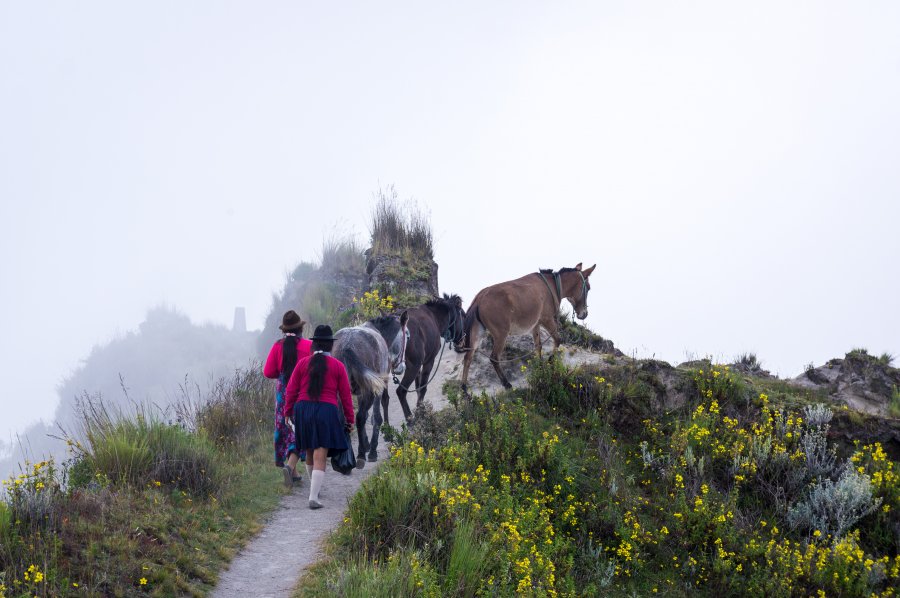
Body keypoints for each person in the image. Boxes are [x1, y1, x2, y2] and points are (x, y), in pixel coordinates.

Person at [283, 324, 355, 509]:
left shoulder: (302, 364)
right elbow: (346, 396)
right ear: (331, 345)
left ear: (314, 345)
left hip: (303, 409)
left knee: (308, 450)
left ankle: (314, 490)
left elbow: (291, 390)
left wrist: (287, 412)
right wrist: (350, 419)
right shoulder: (337, 366)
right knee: (320, 454)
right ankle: (313, 496)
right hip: (326, 411)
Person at [264, 310, 312, 487]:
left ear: (284, 330)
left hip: (283, 393)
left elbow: (268, 372)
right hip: (302, 392)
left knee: (286, 428)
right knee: (300, 428)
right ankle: (291, 465)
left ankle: (293, 470)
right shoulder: (308, 346)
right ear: (300, 329)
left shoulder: (278, 346)